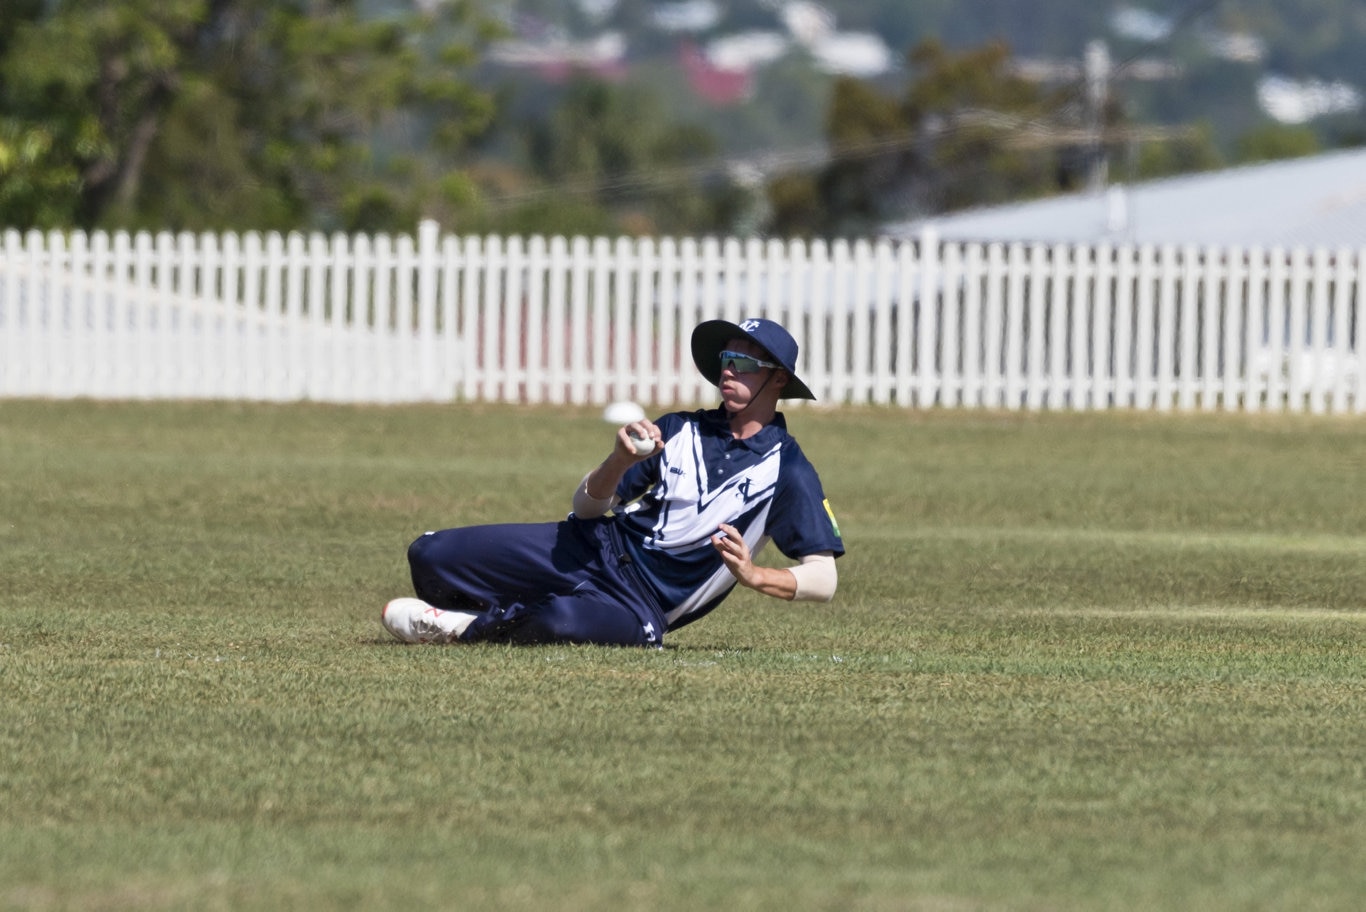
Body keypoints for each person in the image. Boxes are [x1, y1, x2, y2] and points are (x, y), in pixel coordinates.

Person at [381, 317, 844, 647]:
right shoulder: (679, 428)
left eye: (744, 362)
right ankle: (501, 610)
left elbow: (824, 577)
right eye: (727, 358)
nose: (728, 369)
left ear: (778, 379)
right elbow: (586, 508)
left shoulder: (789, 470)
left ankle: (463, 629)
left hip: (641, 606)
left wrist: (754, 575)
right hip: (593, 545)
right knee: (430, 555)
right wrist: (619, 460)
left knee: (562, 621)